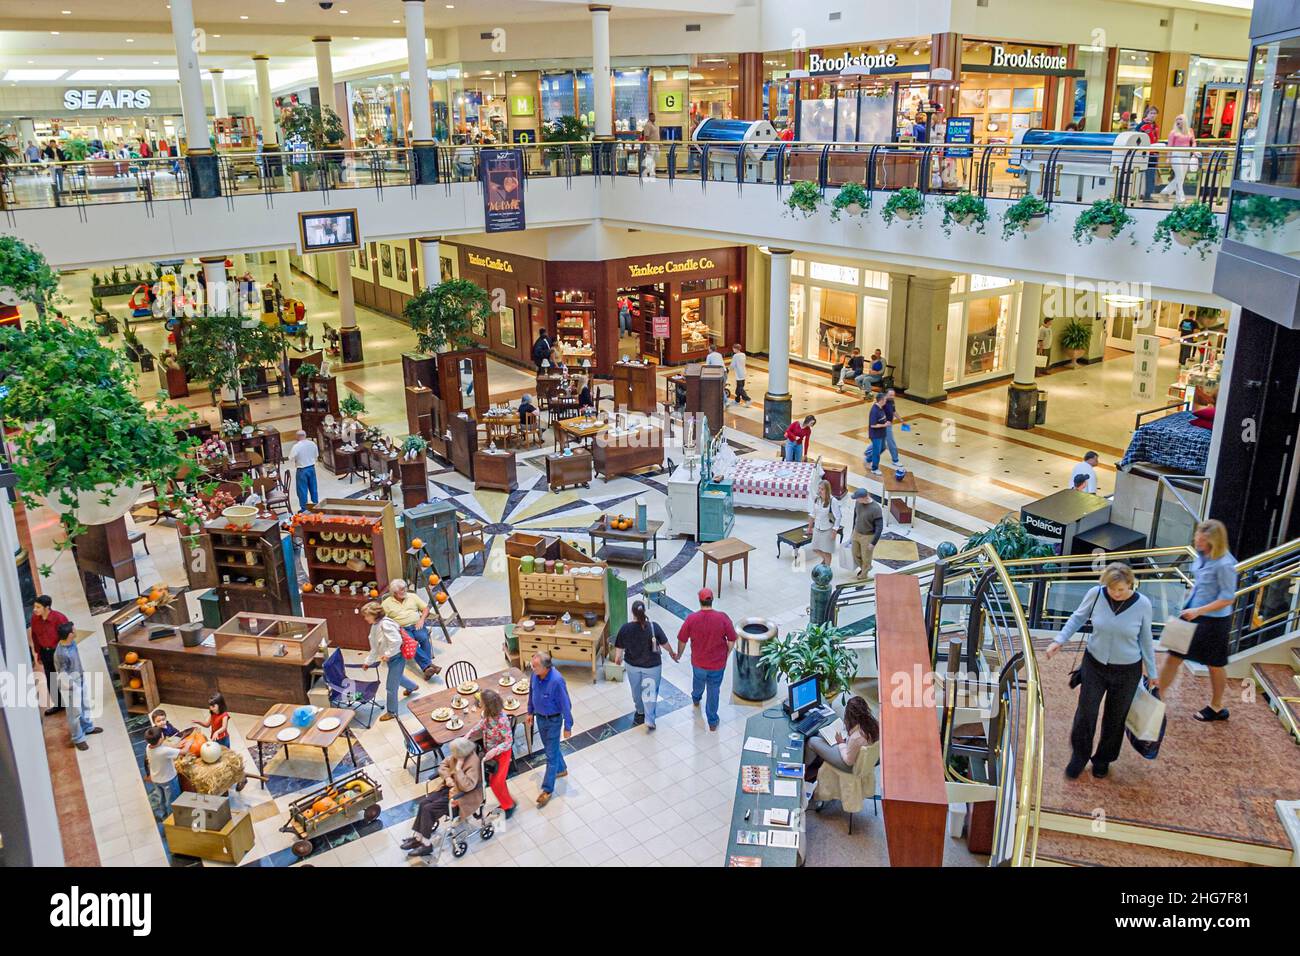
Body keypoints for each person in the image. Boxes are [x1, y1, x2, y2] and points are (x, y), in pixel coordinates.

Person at [1044, 562, 1157, 779]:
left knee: (1115, 717)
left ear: (1130, 584)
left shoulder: (1143, 604)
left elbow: (1146, 639)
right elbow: (1078, 617)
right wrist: (1059, 640)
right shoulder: (1096, 594)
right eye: (1111, 588)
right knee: (1086, 713)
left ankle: (1103, 759)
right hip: (1094, 664)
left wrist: (1153, 672)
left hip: (1127, 670)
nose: (1115, 593)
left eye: (1121, 589)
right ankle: (1079, 756)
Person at [1157, 519, 1238, 722]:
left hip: (1213, 621)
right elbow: (1201, 582)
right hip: (1190, 613)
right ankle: (1158, 698)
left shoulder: (1225, 564)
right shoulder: (1202, 556)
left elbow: (1228, 598)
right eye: (1197, 538)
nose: (1197, 542)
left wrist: (1199, 610)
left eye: (1201, 540)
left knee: (1214, 664)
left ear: (1213, 541)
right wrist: (1189, 602)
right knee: (1173, 656)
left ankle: (1217, 706)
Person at [403, 737, 482, 857]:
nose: (452, 755)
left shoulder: (473, 763)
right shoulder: (458, 755)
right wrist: (448, 778)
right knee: (424, 803)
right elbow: (443, 765)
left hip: (461, 797)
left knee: (429, 809)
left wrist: (458, 770)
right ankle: (419, 838)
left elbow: (468, 786)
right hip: (448, 789)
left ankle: (426, 844)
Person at [674, 588, 737, 732]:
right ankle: (713, 721)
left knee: (698, 681)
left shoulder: (692, 619)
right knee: (714, 689)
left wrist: (679, 654)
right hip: (717, 664)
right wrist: (726, 654)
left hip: (698, 662)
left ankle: (696, 698)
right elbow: (732, 639)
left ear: (699, 600)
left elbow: (682, 639)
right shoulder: (722, 618)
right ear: (712, 600)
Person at [612, 600, 675, 730]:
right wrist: (672, 653)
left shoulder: (625, 628)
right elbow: (664, 643)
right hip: (652, 667)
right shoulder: (653, 627)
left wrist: (618, 659)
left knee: (636, 691)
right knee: (650, 693)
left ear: (632, 612)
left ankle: (640, 711)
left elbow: (619, 648)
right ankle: (649, 719)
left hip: (632, 666)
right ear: (644, 611)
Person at [527, 651, 573, 807]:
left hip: (553, 721)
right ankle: (562, 769)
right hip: (540, 718)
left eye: (535, 666)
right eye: (532, 664)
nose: (532, 668)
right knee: (550, 748)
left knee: (550, 755)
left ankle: (547, 790)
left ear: (546, 667)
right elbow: (531, 693)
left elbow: (566, 705)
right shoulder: (535, 675)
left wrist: (568, 726)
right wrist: (529, 712)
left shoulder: (557, 681)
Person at [805, 696, 879, 790]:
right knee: (821, 736)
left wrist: (841, 743)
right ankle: (817, 767)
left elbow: (848, 761)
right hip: (863, 758)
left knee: (812, 741)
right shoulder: (874, 724)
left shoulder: (856, 737)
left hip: (851, 765)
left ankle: (804, 769)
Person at [361, 602, 416, 722]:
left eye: (367, 616)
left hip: (397, 658)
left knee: (391, 687)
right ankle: (412, 686)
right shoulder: (375, 625)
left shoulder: (385, 624)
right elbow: (375, 647)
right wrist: (368, 662)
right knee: (397, 677)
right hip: (392, 658)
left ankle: (392, 712)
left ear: (375, 615)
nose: (365, 618)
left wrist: (387, 654)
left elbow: (396, 641)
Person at [466, 689, 516, 818]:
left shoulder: (502, 720)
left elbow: (508, 741)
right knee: (498, 781)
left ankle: (508, 805)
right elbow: (483, 723)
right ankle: (507, 802)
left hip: (502, 754)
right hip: (491, 752)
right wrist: (470, 732)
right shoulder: (487, 714)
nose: (479, 703)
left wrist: (494, 750)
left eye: (481, 702)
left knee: (495, 782)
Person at [53, 621, 101, 750]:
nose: (76, 631)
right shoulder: (61, 654)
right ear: (70, 634)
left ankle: (87, 727)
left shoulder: (72, 643)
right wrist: (72, 687)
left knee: (85, 704)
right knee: (74, 712)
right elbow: (62, 673)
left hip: (80, 677)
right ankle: (78, 738)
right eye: (74, 630)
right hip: (70, 684)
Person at [380, 579, 441, 680]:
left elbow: (426, 608)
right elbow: (382, 620)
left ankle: (428, 668)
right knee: (411, 643)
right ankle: (428, 666)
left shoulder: (412, 596)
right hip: (402, 629)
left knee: (424, 637)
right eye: (401, 590)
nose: (405, 591)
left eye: (405, 588)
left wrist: (421, 620)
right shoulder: (386, 604)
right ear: (394, 592)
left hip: (417, 624)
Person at [28, 595, 69, 715]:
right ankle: (59, 704)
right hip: (45, 653)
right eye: (34, 607)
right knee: (51, 679)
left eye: (38, 607)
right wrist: (38, 654)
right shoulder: (35, 619)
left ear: (47, 607)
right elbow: (35, 637)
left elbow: (68, 637)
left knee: (65, 677)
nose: (35, 609)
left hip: (58, 652)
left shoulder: (59, 618)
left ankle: (72, 702)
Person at [144, 727, 183, 820]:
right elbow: (183, 752)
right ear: (161, 738)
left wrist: (174, 747)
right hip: (168, 779)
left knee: (161, 798)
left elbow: (164, 748)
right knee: (172, 800)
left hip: (156, 778)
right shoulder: (164, 751)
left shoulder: (148, 747)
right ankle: (172, 818)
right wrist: (189, 744)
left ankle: (164, 815)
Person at [849, 487, 884, 578]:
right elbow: (855, 516)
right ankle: (866, 568)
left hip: (868, 536)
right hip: (857, 532)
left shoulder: (876, 509)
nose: (856, 500)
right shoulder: (858, 503)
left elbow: (879, 527)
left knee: (866, 558)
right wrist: (853, 530)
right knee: (855, 554)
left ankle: (863, 576)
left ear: (864, 498)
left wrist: (873, 542)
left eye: (857, 498)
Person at [806, 479, 841, 568]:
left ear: (827, 490)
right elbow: (813, 514)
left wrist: (834, 531)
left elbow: (838, 517)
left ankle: (827, 570)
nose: (820, 491)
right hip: (817, 527)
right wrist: (809, 527)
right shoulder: (817, 499)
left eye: (822, 489)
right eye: (819, 489)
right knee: (815, 548)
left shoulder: (833, 501)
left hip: (828, 529)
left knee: (826, 551)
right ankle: (825, 560)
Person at [1161, 113, 1196, 200]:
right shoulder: (1173, 132)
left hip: (1186, 154)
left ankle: (1166, 192)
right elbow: (1169, 146)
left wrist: (1194, 151)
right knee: (1179, 176)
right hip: (1176, 154)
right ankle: (1181, 197)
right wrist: (1168, 158)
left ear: (1184, 121)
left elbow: (1194, 141)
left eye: (1180, 119)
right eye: (1176, 119)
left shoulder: (1190, 131)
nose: (1178, 121)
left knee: (1182, 177)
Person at [290, 428, 319, 512]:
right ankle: (316, 505)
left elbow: (290, 458)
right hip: (311, 468)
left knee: (302, 490)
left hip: (302, 470)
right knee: (313, 488)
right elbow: (316, 455)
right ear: (305, 435)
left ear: (297, 437)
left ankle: (304, 509)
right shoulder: (312, 444)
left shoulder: (296, 446)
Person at [1137, 106, 1160, 199]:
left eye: (1155, 113)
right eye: (1151, 113)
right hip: (1144, 153)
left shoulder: (1156, 126)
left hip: (1154, 153)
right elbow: (1136, 134)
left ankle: (1148, 194)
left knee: (1151, 175)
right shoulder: (1142, 125)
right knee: (1142, 174)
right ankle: (1141, 194)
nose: (1153, 115)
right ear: (1147, 114)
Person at [866, 392, 888, 476]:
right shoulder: (874, 410)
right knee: (877, 452)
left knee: (883, 448)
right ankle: (874, 468)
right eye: (885, 399)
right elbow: (873, 425)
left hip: (881, 433)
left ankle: (868, 459)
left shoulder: (881, 408)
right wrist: (884, 425)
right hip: (875, 435)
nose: (886, 401)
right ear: (881, 400)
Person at [881, 388, 904, 468]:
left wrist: (901, 420)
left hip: (889, 424)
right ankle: (895, 460)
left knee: (880, 443)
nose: (892, 397)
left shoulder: (891, 401)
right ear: (886, 394)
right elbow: (877, 413)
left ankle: (868, 455)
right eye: (890, 395)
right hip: (884, 425)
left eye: (893, 395)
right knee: (891, 442)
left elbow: (893, 411)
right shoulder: (882, 402)